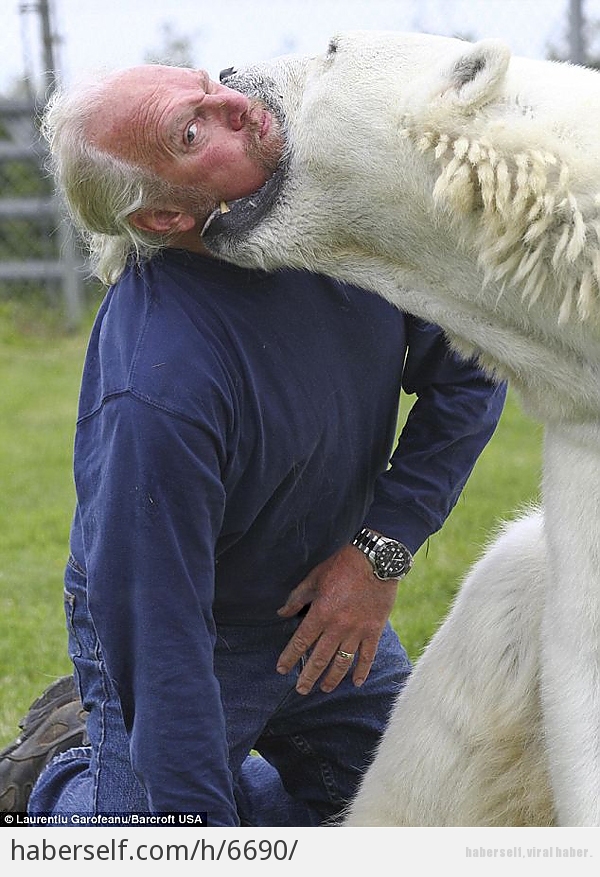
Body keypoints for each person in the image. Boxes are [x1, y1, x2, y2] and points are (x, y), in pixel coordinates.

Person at [0, 64, 506, 826]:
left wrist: (378, 552)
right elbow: (161, 636)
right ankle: (55, 779)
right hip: (180, 627)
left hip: (326, 603)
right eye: (192, 131)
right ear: (165, 218)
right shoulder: (158, 387)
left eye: (206, 86)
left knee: (440, 818)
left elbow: (473, 369)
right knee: (170, 840)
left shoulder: (343, 223)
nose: (237, 104)